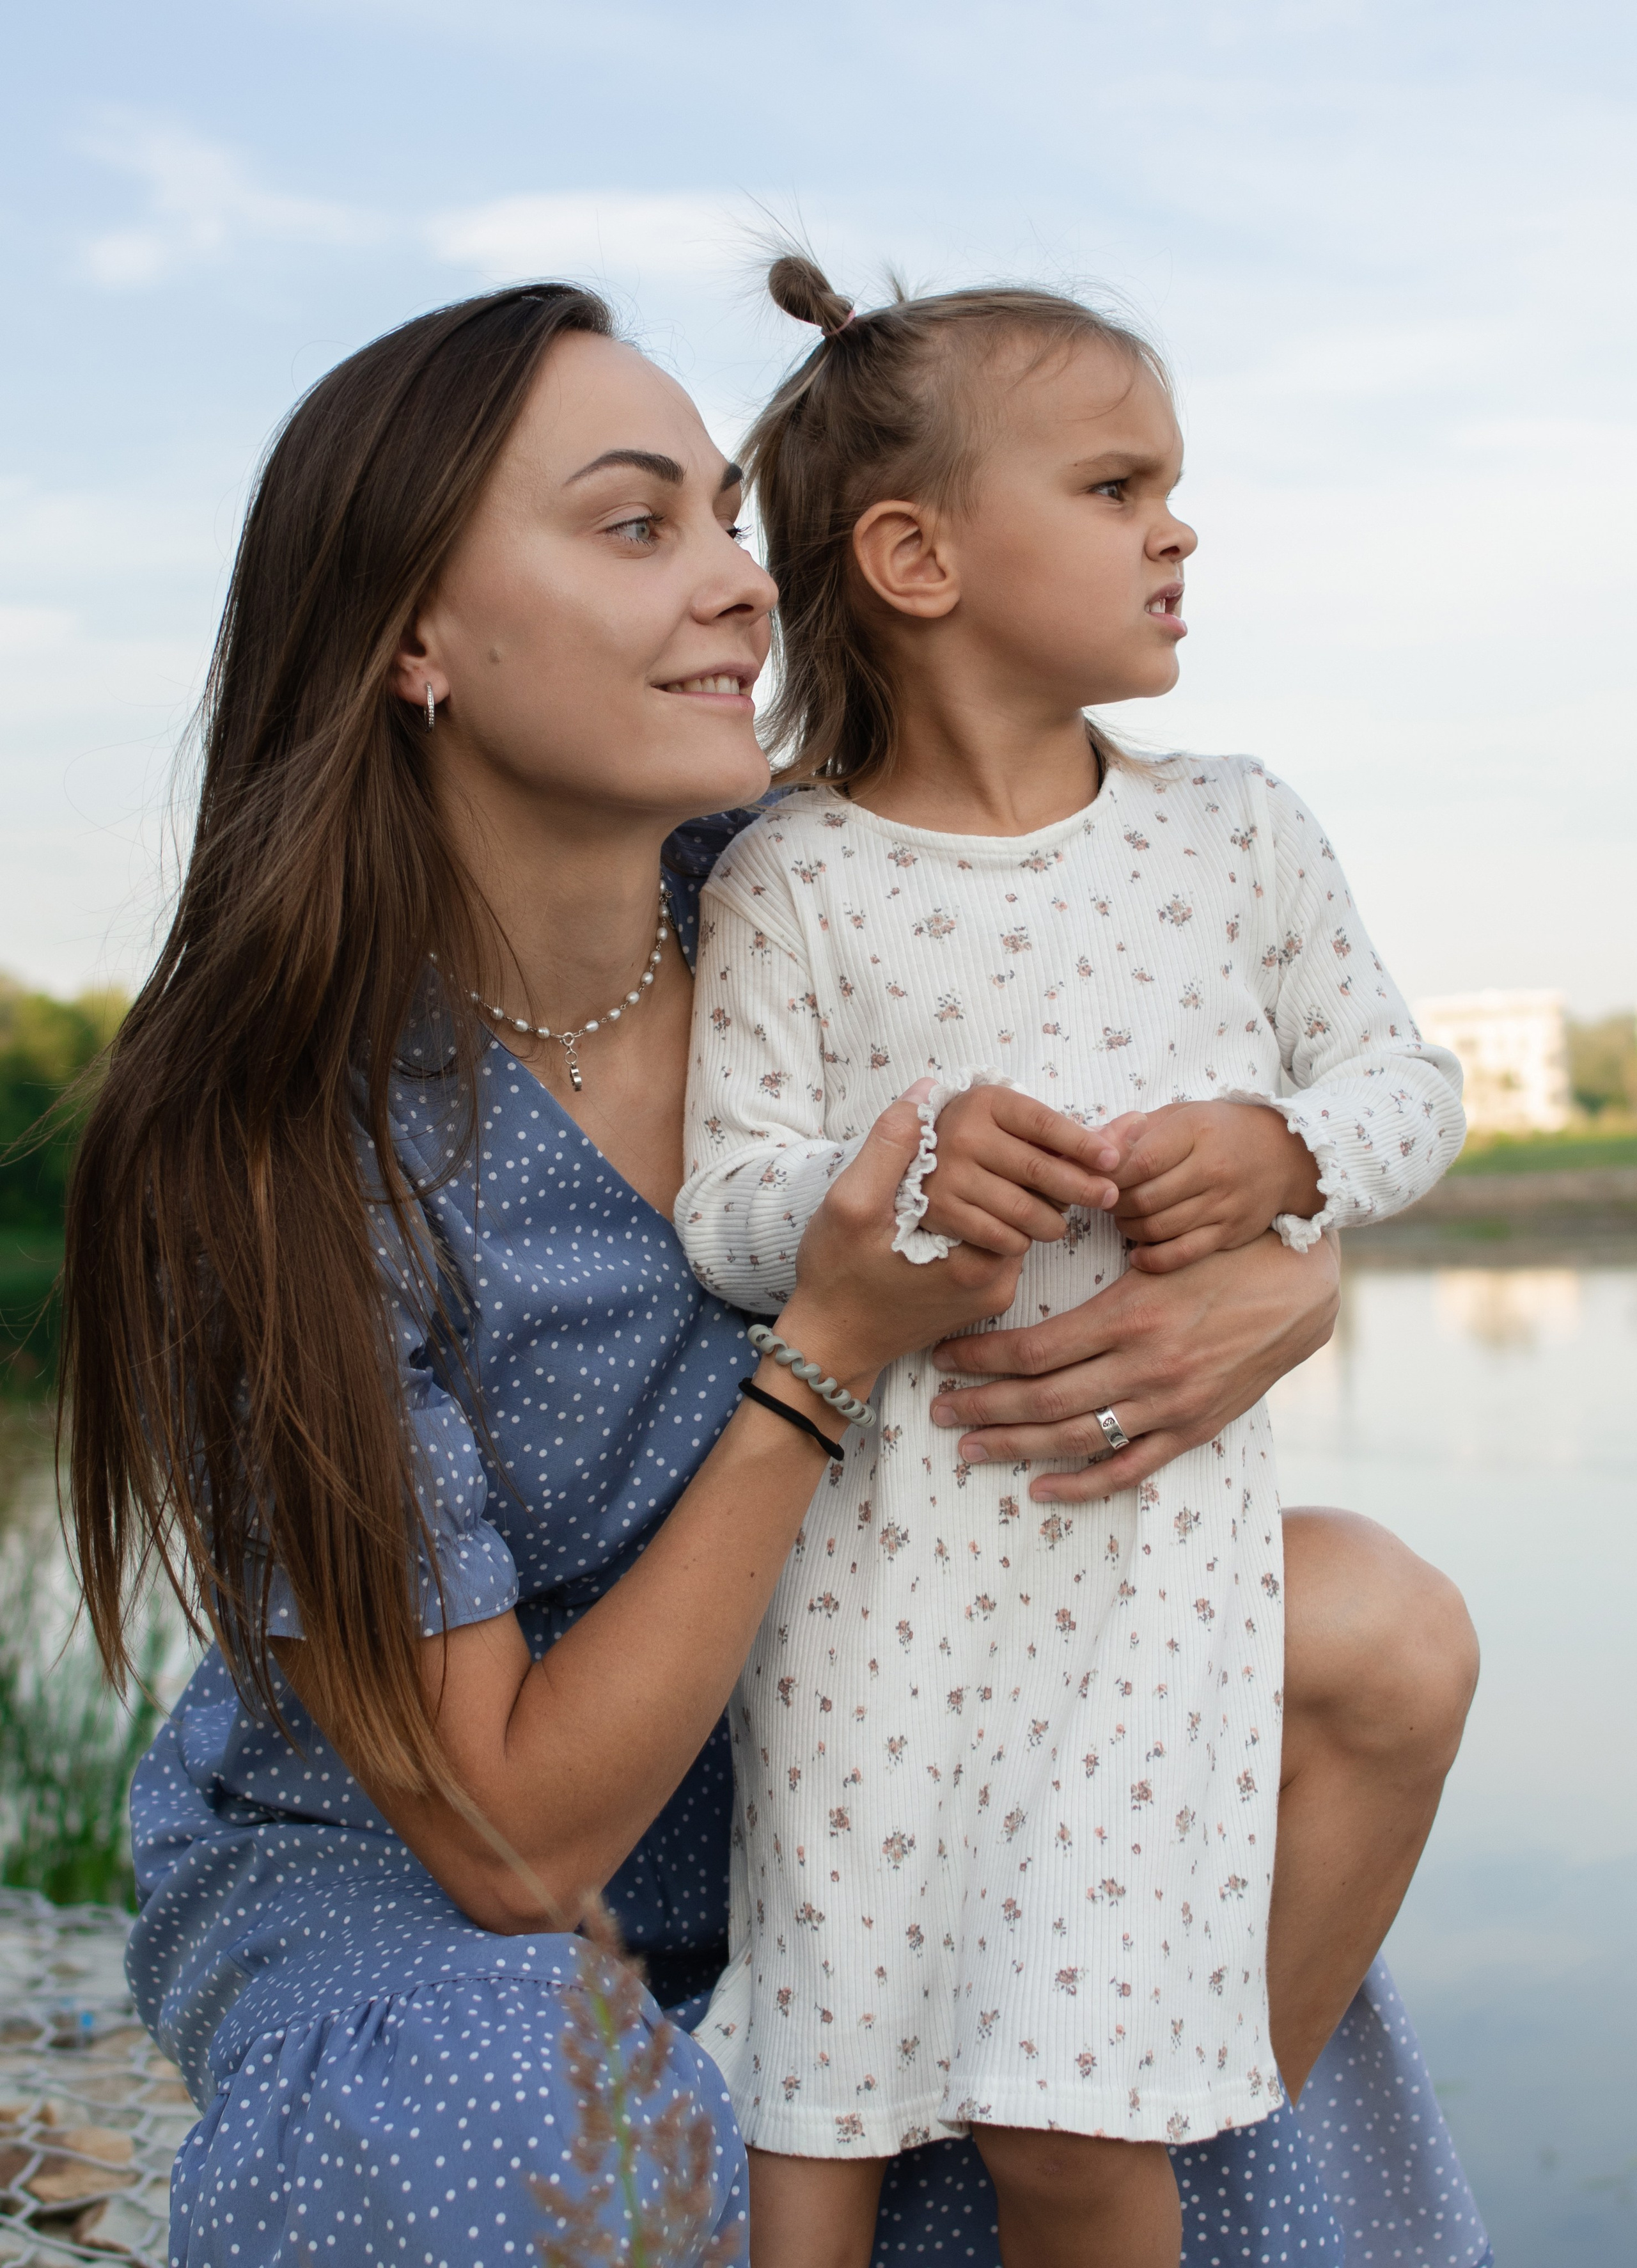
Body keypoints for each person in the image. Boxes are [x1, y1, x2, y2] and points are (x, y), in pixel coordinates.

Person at [59, 281, 1482, 2268]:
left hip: (857, 1733)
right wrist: (822, 1349)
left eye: (731, 519)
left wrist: (1278, 1268)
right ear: (411, 638)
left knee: (1298, 1735)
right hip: (441, 1865)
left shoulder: (809, 887)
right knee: (502, 2105)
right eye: (640, 526)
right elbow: (507, 1837)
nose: (742, 585)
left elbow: (1224, 1128)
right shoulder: (272, 1146)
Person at [675, 258, 1466, 2268]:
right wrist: (899, 1179)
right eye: (1118, 486)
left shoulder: (1237, 833)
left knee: (1072, 2126)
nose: (1176, 528)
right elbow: (729, 1205)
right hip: (869, 1596)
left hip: (1153, 1609)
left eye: (1169, 486)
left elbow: (1411, 1085)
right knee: (817, 2112)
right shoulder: (792, 874)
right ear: (916, 555)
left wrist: (1294, 1152)